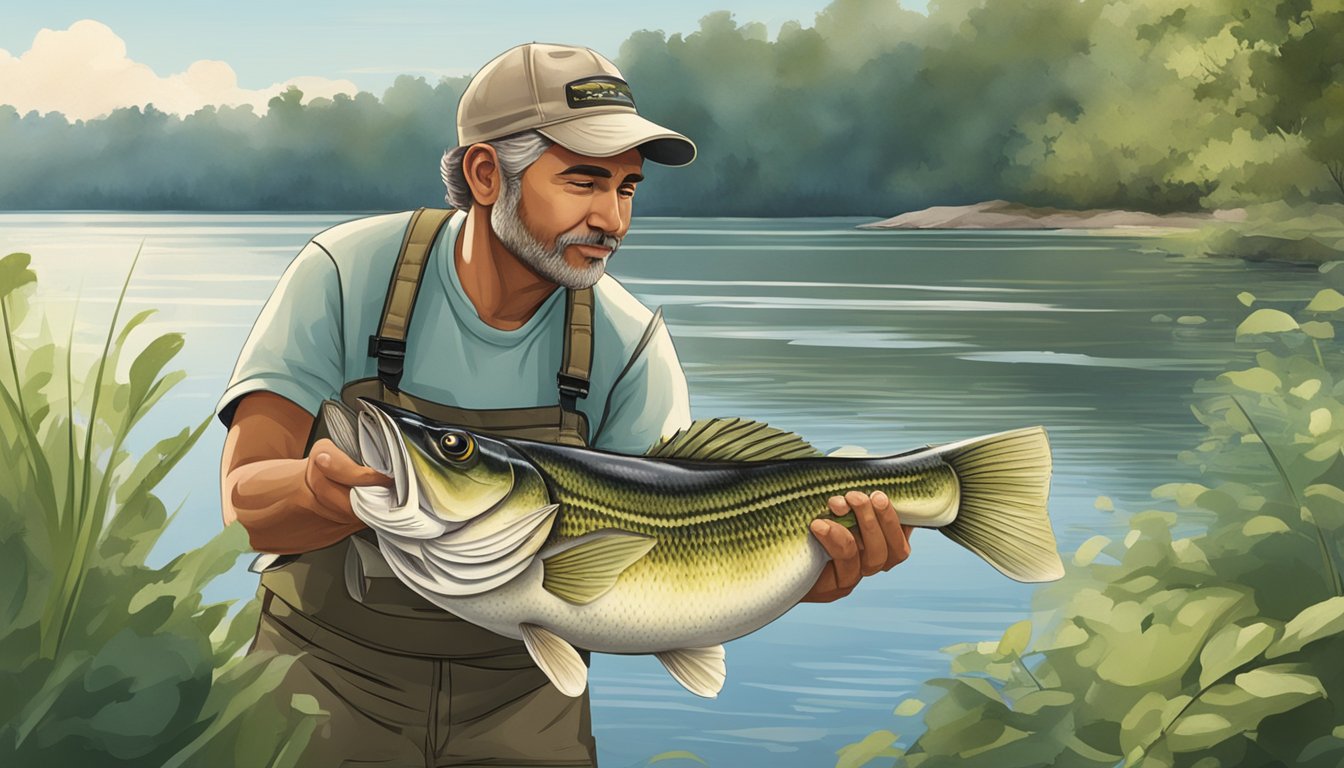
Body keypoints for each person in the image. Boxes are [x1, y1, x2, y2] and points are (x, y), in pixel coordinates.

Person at [217, 42, 914, 767]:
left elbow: (667, 561)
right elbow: (242, 499)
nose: (612, 221)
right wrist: (318, 493)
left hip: (526, 700)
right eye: (583, 183)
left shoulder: (629, 341)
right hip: (322, 678)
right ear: (487, 175)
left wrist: (803, 577)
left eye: (628, 190)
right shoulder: (345, 272)